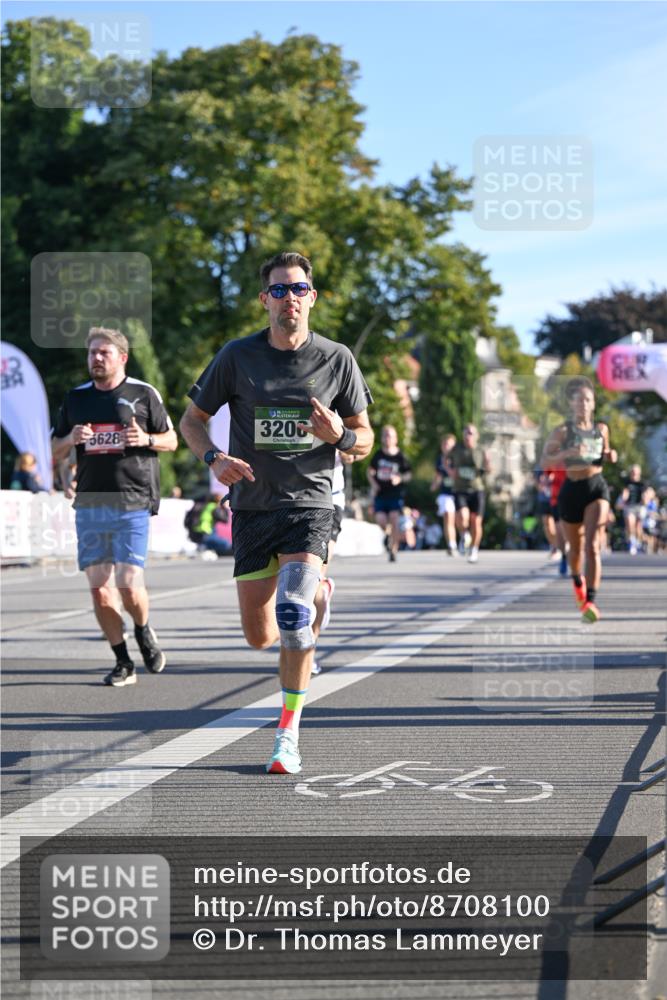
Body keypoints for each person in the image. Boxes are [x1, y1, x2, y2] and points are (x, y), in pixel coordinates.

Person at [179, 251, 373, 775]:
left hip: (311, 503)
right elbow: (192, 419)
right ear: (265, 299)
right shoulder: (237, 356)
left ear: (313, 296)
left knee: (292, 614)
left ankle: (287, 733)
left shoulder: (336, 359)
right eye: (280, 290)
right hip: (251, 506)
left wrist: (342, 437)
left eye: (299, 289)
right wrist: (213, 458)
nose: (291, 298)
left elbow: (365, 440)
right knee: (260, 635)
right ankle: (319, 596)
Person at [52, 327, 178, 685]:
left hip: (133, 497)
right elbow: (53, 449)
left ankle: (142, 628)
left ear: (122, 357)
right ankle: (123, 661)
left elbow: (172, 440)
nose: (96, 358)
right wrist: (70, 439)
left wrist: (148, 439)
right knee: (99, 588)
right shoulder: (75, 399)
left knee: (126, 581)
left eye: (104, 352)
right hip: (90, 501)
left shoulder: (143, 393)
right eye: (92, 352)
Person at [541, 376, 617, 623]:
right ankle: (577, 582)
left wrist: (610, 454)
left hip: (596, 487)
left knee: (592, 544)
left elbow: (605, 453)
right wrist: (566, 453)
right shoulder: (563, 431)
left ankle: (591, 601)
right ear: (572, 404)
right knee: (574, 551)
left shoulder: (602, 429)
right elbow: (545, 461)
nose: (583, 404)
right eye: (579, 400)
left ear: (593, 404)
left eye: (587, 399)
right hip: (572, 490)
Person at [311, 449, 354, 676]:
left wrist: (347, 448)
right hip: (288, 498)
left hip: (329, 498)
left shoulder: (336, 411)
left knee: (312, 578)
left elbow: (357, 443)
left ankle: (308, 651)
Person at [367, 425, 412, 562]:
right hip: (381, 494)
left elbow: (409, 474)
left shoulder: (400, 456)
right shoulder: (379, 454)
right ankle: (387, 536)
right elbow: (369, 471)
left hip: (395, 494)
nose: (387, 438)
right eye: (385, 435)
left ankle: (393, 550)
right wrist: (374, 484)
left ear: (395, 439)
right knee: (380, 520)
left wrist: (400, 478)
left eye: (390, 435)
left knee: (394, 519)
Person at [449, 424, 490, 563]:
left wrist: (488, 463)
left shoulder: (481, 450)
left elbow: (488, 469)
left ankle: (474, 550)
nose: (468, 436)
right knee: (462, 516)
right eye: (466, 433)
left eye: (471, 433)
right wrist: (450, 471)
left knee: (476, 522)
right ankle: (464, 534)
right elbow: (445, 460)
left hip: (477, 489)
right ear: (463, 435)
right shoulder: (457, 449)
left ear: (476, 436)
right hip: (460, 489)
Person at [431, 434, 458, 556]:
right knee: (448, 518)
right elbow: (438, 476)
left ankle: (463, 536)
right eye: (445, 444)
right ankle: (451, 545)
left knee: (460, 521)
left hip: (458, 493)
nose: (447, 447)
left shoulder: (458, 459)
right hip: (445, 494)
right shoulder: (439, 460)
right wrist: (434, 485)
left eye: (450, 445)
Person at [616, 464, 649, 555]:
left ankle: (638, 542)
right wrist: (623, 498)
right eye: (633, 472)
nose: (634, 474)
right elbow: (625, 493)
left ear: (639, 473)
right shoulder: (627, 482)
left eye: (635, 472)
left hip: (640, 506)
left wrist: (645, 500)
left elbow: (646, 495)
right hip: (629, 506)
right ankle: (632, 543)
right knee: (630, 523)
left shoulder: (643, 483)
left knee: (638, 527)